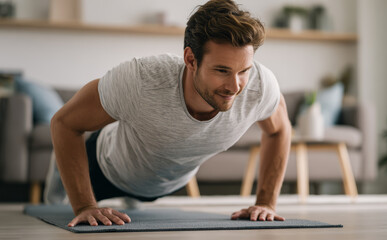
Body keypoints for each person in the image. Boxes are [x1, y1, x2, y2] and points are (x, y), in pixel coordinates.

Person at [45, 0, 292, 227]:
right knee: (51, 216)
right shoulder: (141, 80)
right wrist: (85, 205)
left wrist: (267, 202)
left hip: (163, 182)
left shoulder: (260, 87)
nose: (235, 86)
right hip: (103, 168)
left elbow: (279, 130)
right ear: (190, 59)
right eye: (221, 70)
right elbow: (65, 123)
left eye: (244, 70)